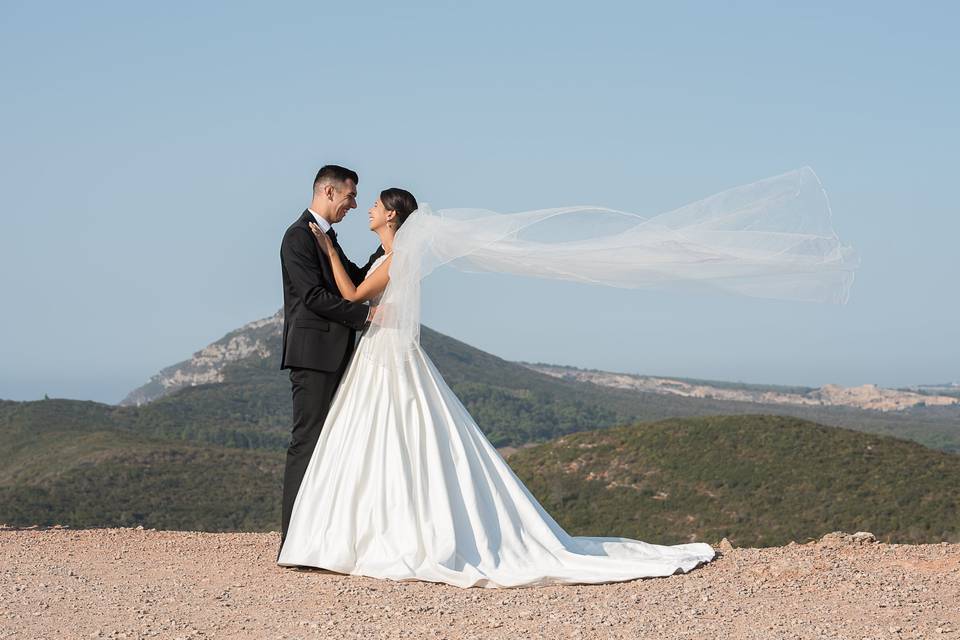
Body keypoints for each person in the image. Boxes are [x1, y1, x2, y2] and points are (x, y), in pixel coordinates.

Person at [277, 165, 383, 554]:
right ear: (327, 191)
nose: (354, 205)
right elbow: (313, 297)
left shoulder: (326, 236)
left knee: (333, 444)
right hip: (313, 356)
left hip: (338, 353)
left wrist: (391, 247)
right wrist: (366, 316)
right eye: (350, 196)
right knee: (306, 443)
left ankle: (321, 536)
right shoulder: (297, 238)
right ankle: (293, 542)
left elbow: (353, 279)